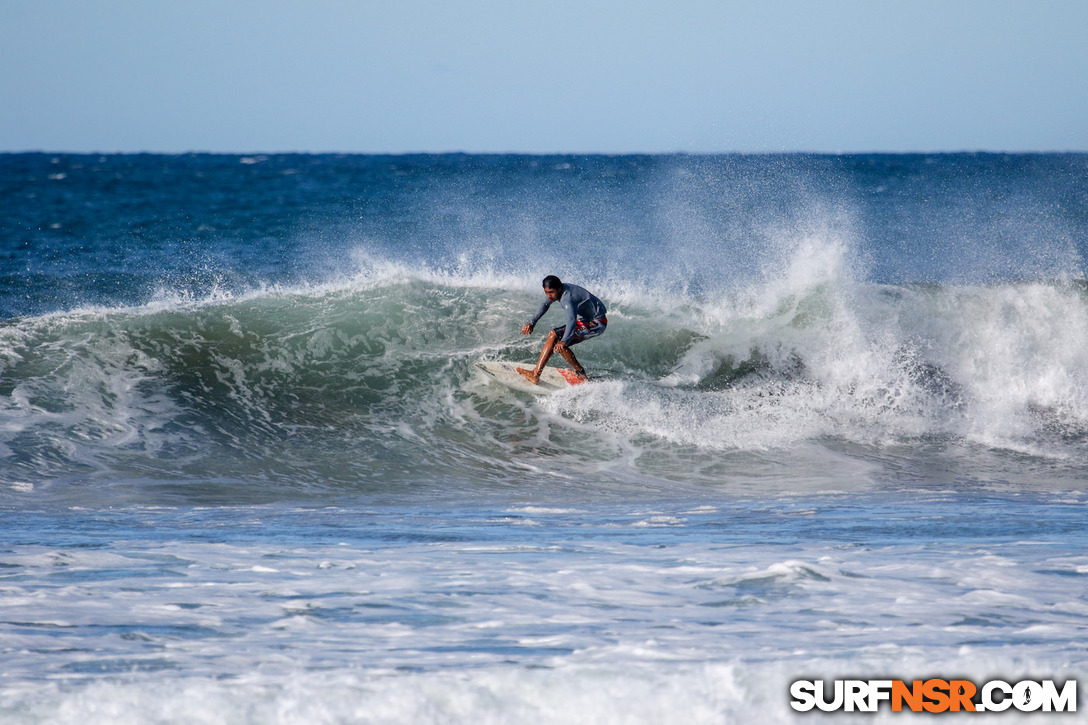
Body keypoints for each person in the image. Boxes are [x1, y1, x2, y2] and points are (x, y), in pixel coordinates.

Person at [518, 275, 607, 384]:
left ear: (559, 289)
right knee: (557, 341)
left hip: (597, 322)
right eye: (546, 292)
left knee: (555, 337)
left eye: (551, 292)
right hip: (588, 319)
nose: (549, 296)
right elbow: (545, 304)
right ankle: (581, 375)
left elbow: (571, 321)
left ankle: (535, 374)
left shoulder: (567, 298)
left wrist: (565, 340)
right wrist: (532, 322)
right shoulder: (559, 290)